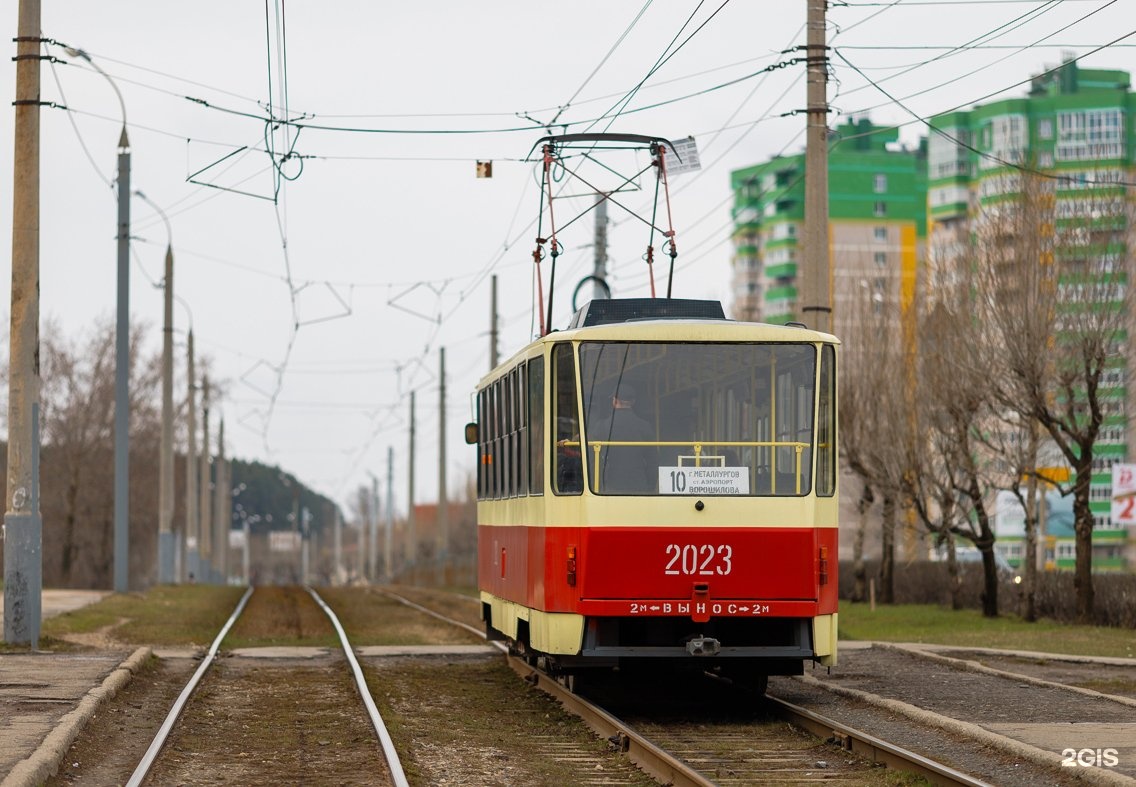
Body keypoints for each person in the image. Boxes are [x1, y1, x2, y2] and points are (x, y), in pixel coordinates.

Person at [589, 382, 657, 493]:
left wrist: (599, 487)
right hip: (639, 486)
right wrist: (649, 487)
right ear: (633, 402)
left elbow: (592, 460)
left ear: (614, 401)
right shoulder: (645, 426)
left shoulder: (601, 426)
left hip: (611, 487)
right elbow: (653, 461)